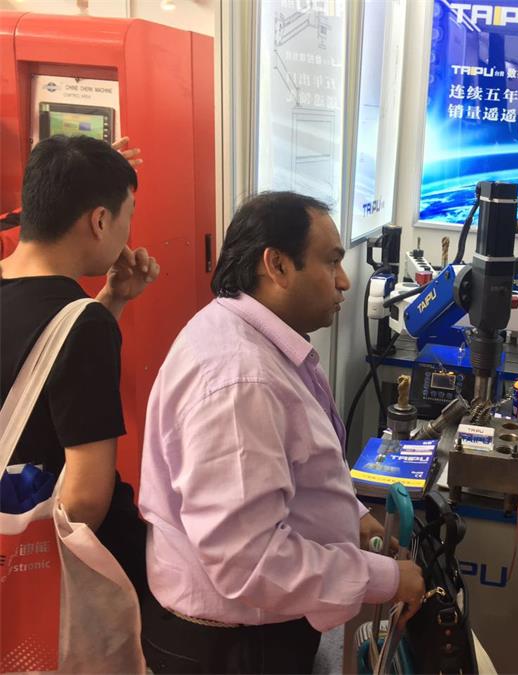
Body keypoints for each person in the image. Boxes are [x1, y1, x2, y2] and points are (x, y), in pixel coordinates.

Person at [139, 191, 425, 673]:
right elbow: (248, 560)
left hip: (256, 626)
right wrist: (385, 579)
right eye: (331, 261)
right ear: (276, 265)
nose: (344, 280)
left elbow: (290, 467)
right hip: (231, 647)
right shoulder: (240, 381)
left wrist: (352, 516)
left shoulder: (254, 340)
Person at [0, 134, 158, 592]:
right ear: (100, 220)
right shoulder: (86, 325)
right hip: (40, 571)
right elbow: (86, 499)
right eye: (128, 216)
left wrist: (113, 299)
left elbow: (44, 365)